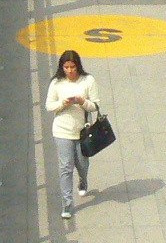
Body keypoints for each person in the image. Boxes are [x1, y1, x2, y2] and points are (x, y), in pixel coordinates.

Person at [45, 49, 98, 220]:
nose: (69, 70)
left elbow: (95, 106)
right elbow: (49, 106)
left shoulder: (88, 81)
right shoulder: (56, 83)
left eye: (72, 67)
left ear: (78, 66)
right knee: (65, 167)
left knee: (82, 164)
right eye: (66, 67)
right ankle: (67, 203)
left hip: (82, 131)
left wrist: (82, 101)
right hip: (62, 131)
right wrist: (63, 103)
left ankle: (83, 180)